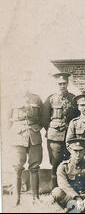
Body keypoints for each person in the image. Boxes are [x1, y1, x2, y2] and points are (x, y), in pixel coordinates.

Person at [8, 71, 45, 205]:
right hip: (17, 137)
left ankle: (36, 198)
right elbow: (6, 120)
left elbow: (42, 118)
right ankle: (16, 199)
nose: (26, 84)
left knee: (35, 166)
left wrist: (35, 128)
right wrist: (9, 135)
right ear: (19, 83)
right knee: (17, 167)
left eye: (28, 81)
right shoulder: (12, 98)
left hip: (34, 136)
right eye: (23, 81)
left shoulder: (37, 99)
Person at [42, 72, 78, 189]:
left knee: (69, 162)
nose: (62, 86)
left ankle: (67, 190)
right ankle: (54, 191)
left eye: (64, 83)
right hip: (54, 137)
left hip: (69, 137)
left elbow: (76, 116)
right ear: (56, 84)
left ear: (67, 84)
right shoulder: (51, 99)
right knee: (55, 163)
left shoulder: (73, 98)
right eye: (60, 84)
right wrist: (53, 129)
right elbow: (44, 119)